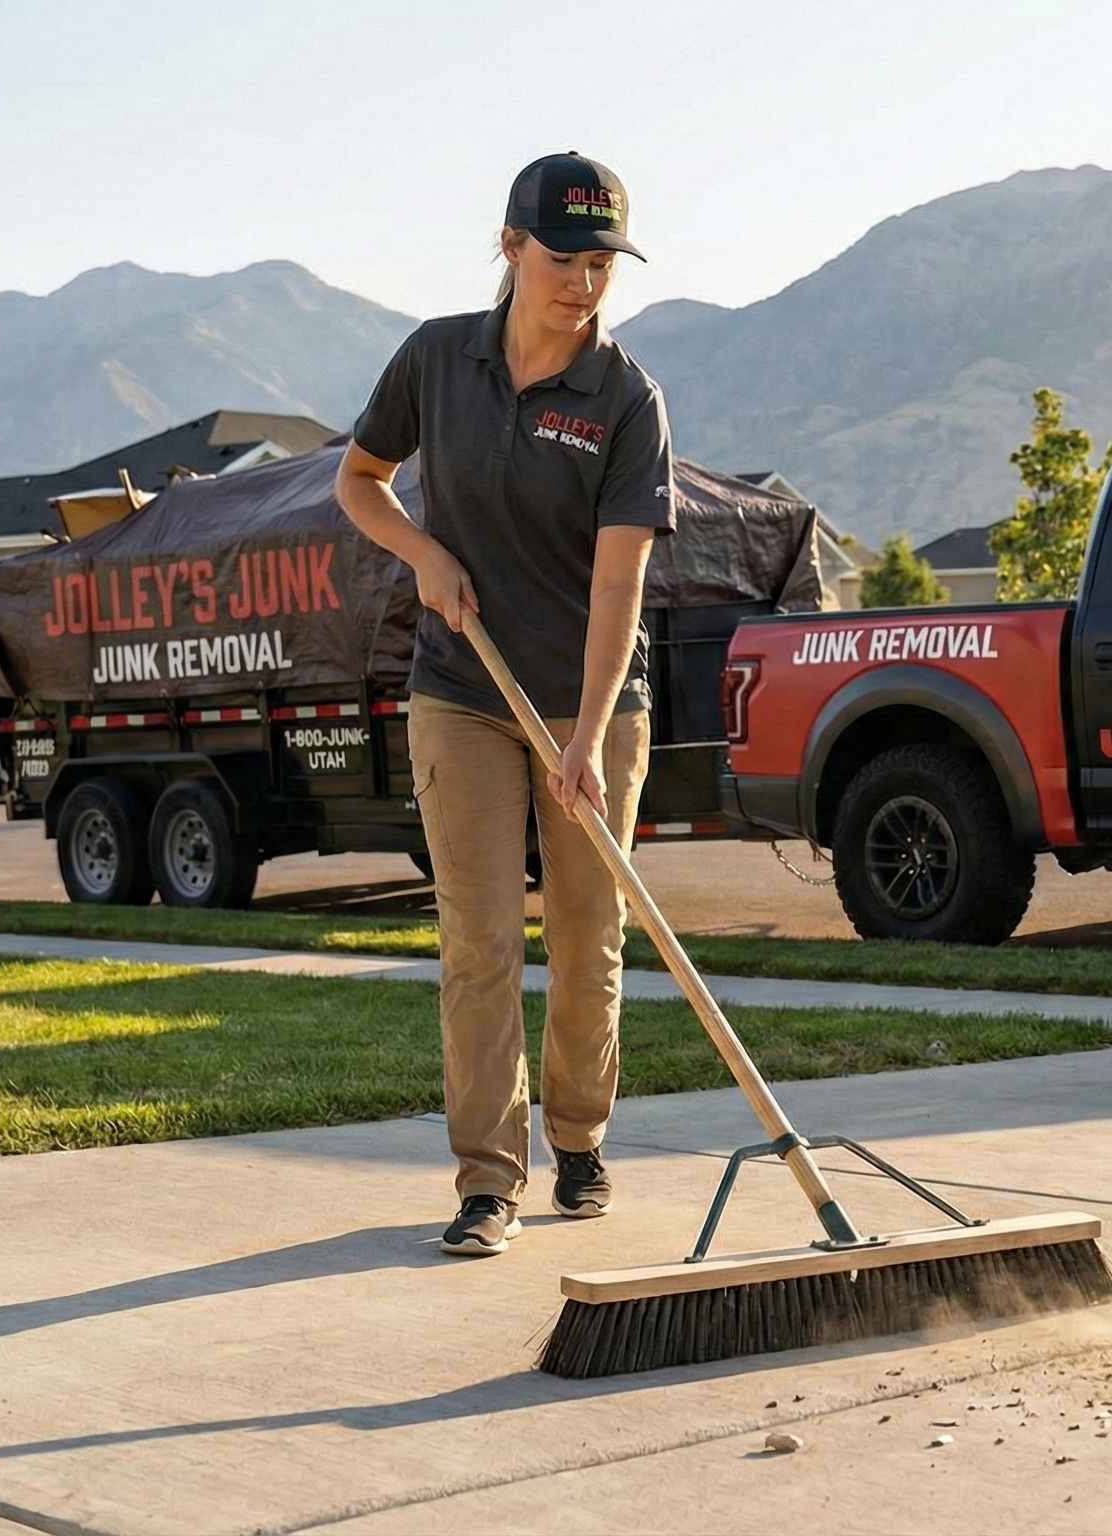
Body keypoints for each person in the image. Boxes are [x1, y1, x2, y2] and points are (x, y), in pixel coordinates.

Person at [336, 152, 675, 1256]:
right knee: (479, 944)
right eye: (564, 259)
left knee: (586, 938)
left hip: (590, 701)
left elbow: (619, 586)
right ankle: (489, 1181)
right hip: (462, 692)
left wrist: (587, 736)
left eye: (602, 264)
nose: (584, 282)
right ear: (511, 245)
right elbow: (359, 481)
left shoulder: (625, 399)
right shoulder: (437, 360)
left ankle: (578, 1139)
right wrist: (424, 555)